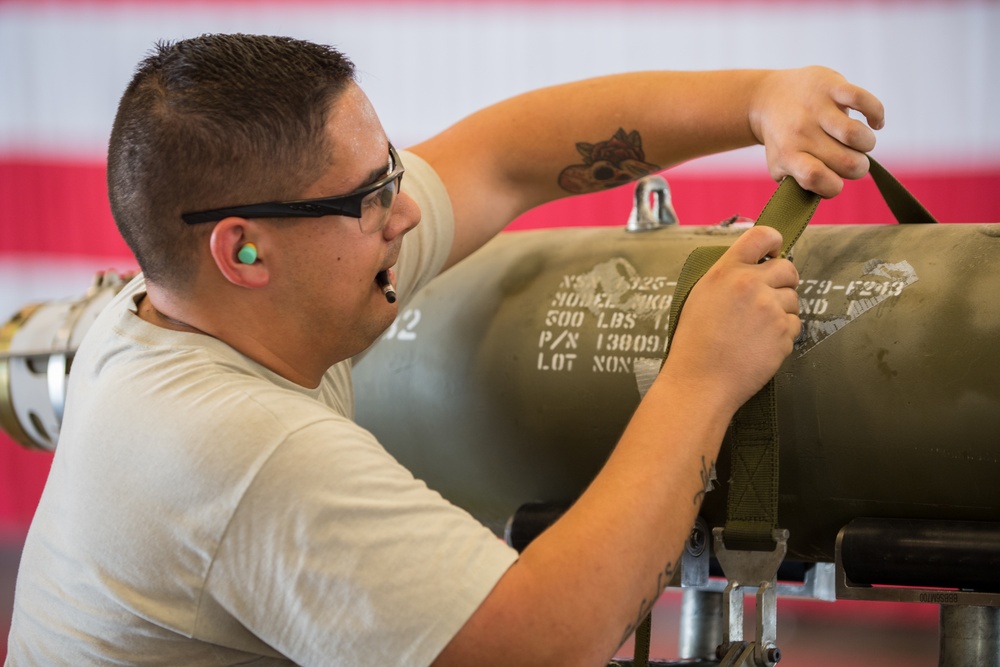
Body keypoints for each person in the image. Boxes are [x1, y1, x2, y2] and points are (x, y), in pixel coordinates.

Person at [5, 34, 883, 666]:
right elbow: (541, 644)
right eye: (370, 197)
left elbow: (504, 158)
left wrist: (760, 97)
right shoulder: (236, 450)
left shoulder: (204, 304)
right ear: (242, 250)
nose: (408, 211)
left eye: (391, 170)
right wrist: (702, 378)